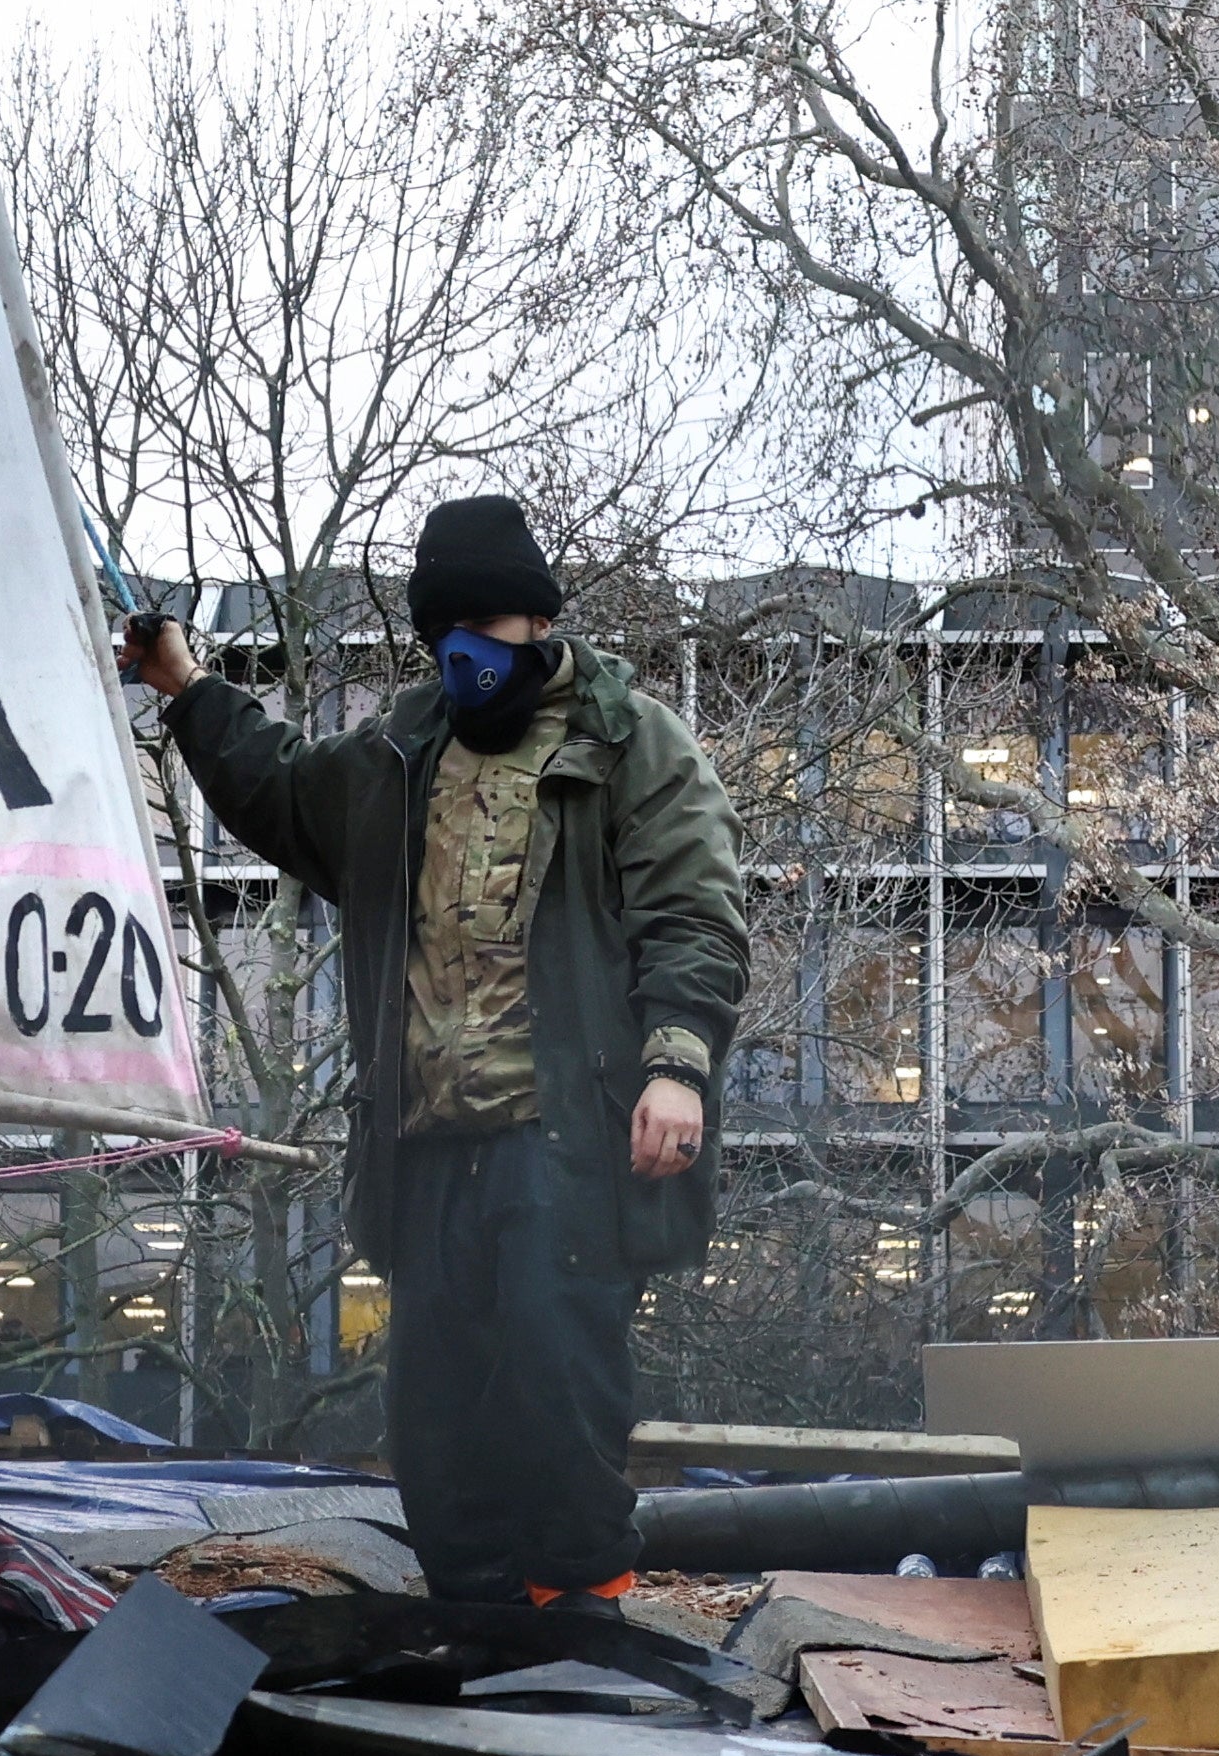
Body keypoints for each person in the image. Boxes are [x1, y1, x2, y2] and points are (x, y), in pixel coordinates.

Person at [125, 496, 750, 1606]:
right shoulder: (396, 755)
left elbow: (692, 909)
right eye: (455, 634)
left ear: (539, 624)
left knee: (557, 1400)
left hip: (563, 1137)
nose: (476, 657)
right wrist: (186, 689)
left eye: (499, 630)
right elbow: (278, 783)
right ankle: (475, 1626)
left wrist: (676, 1062)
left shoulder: (627, 738)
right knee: (434, 1425)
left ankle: (582, 1631)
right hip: (426, 1147)